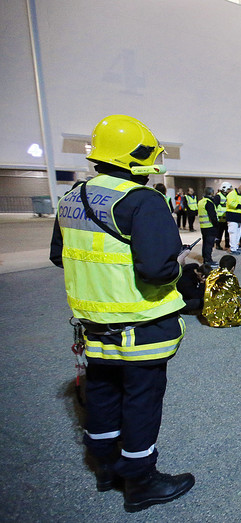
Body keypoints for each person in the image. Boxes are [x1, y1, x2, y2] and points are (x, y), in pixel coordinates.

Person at [49, 114, 194, 512]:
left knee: (102, 391)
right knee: (141, 399)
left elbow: (60, 257)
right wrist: (181, 263)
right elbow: (158, 269)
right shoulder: (142, 200)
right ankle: (140, 480)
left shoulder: (72, 198)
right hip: (141, 322)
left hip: (93, 323)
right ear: (138, 157)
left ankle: (106, 467)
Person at [197, 187, 219, 265]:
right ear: (211, 193)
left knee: (205, 243)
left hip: (203, 226)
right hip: (210, 226)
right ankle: (208, 260)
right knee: (209, 244)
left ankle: (205, 258)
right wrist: (216, 225)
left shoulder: (201, 202)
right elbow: (212, 216)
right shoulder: (209, 202)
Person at [226, 184, 241, 253]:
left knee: (238, 234)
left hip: (239, 217)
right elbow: (231, 204)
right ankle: (233, 249)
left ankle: (236, 247)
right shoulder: (232, 194)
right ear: (240, 189)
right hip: (233, 217)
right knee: (233, 233)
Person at [214, 183, 232, 250]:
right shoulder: (218, 196)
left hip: (227, 218)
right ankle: (217, 244)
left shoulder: (228, 196)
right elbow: (214, 207)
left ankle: (227, 244)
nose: (229, 191)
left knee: (227, 233)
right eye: (228, 189)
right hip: (220, 219)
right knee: (219, 233)